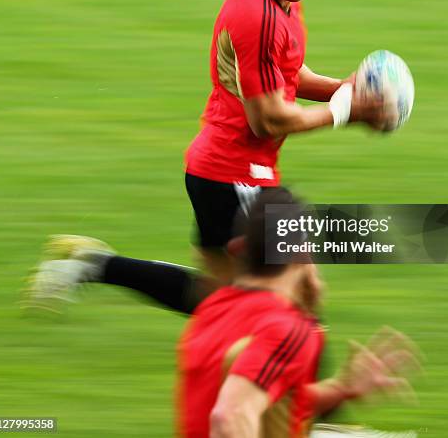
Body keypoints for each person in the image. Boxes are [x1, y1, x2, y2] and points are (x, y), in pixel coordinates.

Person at [24, 0, 386, 315]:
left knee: (213, 298)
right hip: (238, 174)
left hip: (217, 169)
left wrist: (346, 90)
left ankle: (94, 265)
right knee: (300, 292)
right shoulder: (260, 17)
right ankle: (296, 378)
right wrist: (348, 111)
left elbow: (288, 73)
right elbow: (268, 120)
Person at [178, 187, 419, 437]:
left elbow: (271, 393)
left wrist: (340, 388)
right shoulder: (287, 328)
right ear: (302, 255)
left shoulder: (210, 311)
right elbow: (227, 417)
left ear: (238, 250)